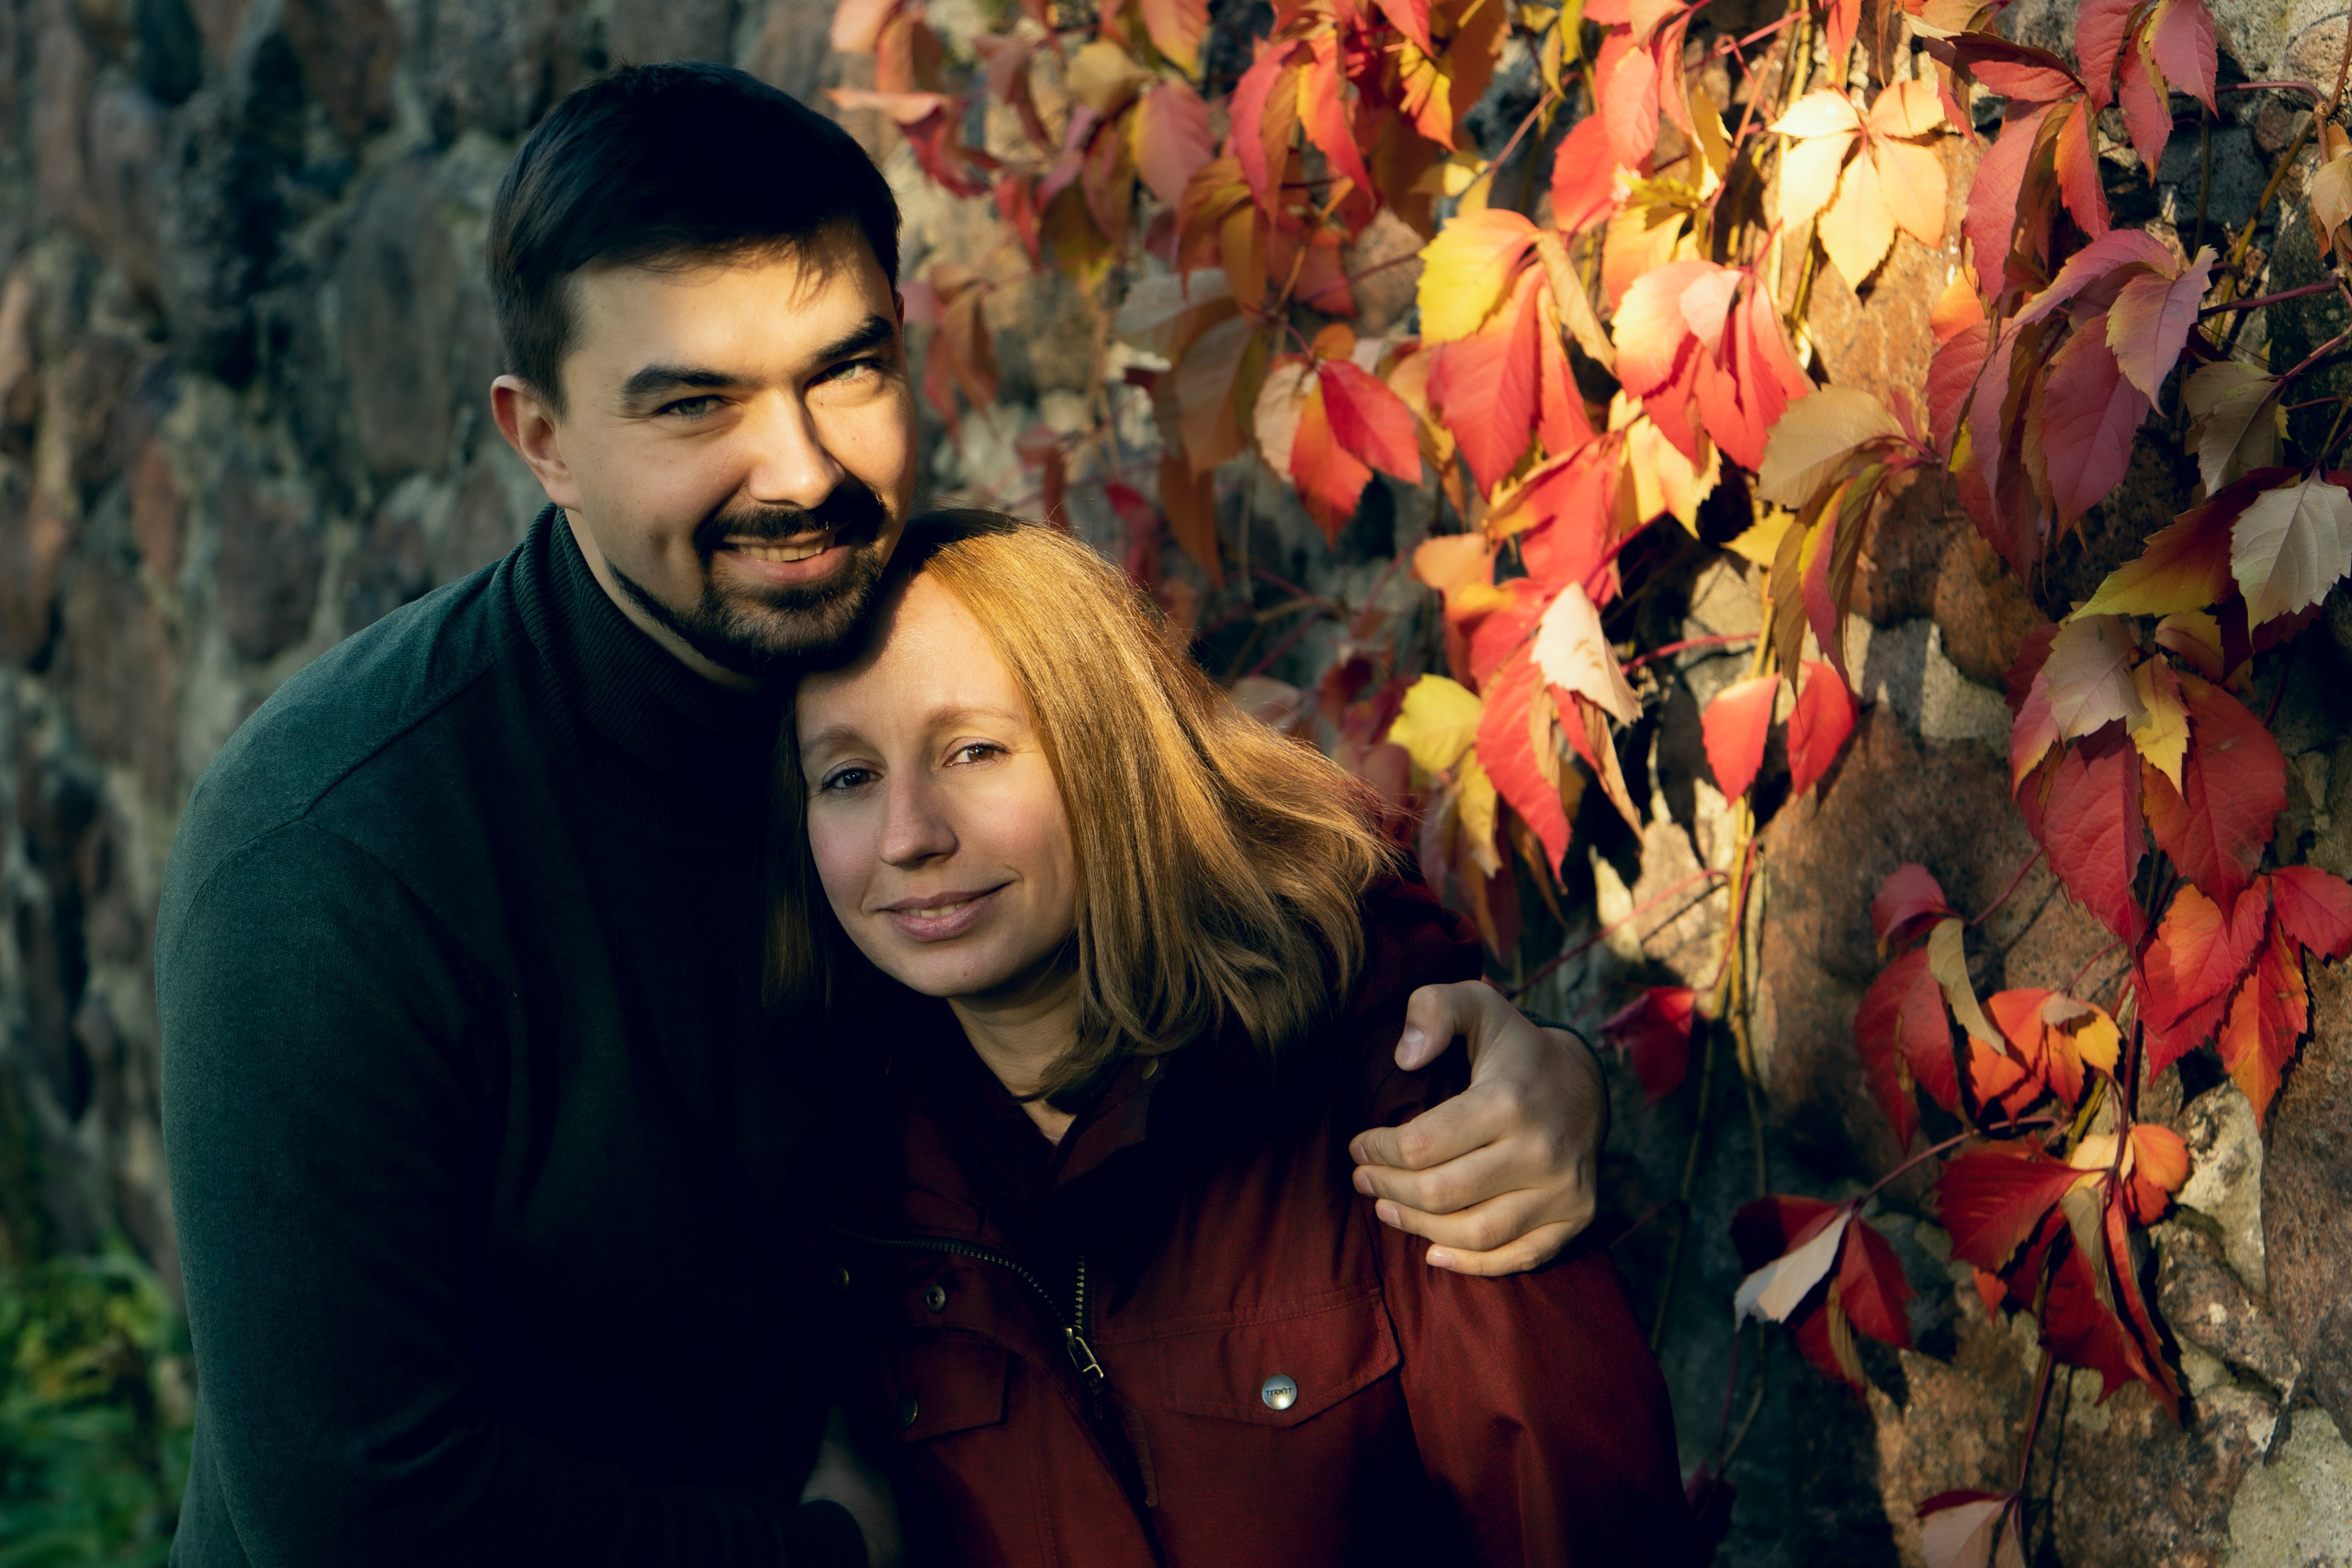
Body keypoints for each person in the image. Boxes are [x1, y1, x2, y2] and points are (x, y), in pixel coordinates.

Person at [155, 62, 1613, 1568]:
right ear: (544, 440)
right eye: (695, 404)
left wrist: (1528, 1069)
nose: (800, 472)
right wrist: (828, 1553)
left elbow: (1223, 896)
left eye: (845, 370)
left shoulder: (909, 649)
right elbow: (347, 1507)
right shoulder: (340, 856)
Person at [784, 513, 1692, 1566]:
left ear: (1106, 753)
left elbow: (1575, 1522)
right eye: (847, 776)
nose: (908, 836)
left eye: (975, 750)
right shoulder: (837, 1182)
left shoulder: (1382, 1087)